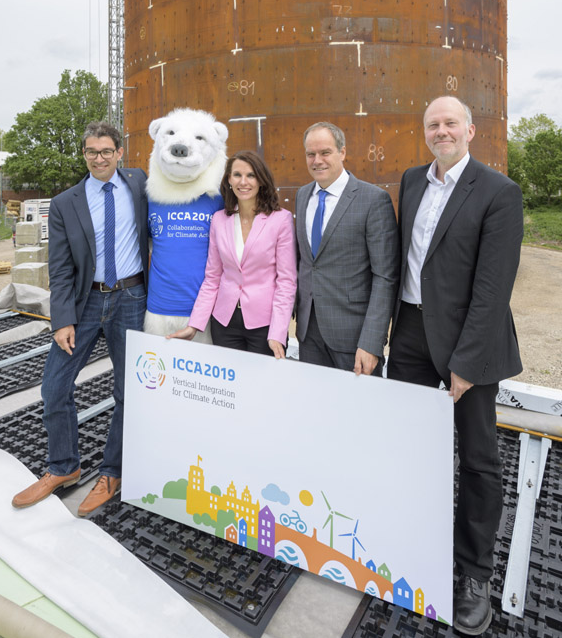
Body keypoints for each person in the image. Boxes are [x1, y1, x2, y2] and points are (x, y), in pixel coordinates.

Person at [387, 96, 523, 636]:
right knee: (411, 448)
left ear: (470, 129)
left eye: (450, 123)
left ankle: (473, 572)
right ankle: (414, 547)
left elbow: (493, 288)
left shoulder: (498, 192)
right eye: (432, 124)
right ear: (424, 133)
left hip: (472, 340)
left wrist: (465, 364)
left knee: (478, 460)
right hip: (414, 333)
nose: (441, 131)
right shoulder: (413, 180)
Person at [12, 122, 149, 516]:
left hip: (132, 297)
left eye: (106, 151)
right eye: (91, 151)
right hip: (85, 301)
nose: (99, 158)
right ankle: (63, 467)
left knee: (128, 391)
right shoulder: (65, 202)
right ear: (84, 154)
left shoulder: (140, 185)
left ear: (120, 152)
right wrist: (62, 319)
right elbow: (59, 266)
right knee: (54, 387)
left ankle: (112, 470)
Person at [168, 151, 296, 358]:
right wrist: (195, 325)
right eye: (237, 175)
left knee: (260, 388)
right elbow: (212, 278)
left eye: (251, 175)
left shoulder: (280, 220)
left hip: (265, 325)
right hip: (224, 322)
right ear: (229, 179)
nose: (243, 182)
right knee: (229, 389)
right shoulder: (219, 220)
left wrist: (278, 332)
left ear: (261, 180)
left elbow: (287, 281)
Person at [295, 122, 399, 375]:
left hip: (354, 340)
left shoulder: (373, 199)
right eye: (311, 154)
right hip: (309, 334)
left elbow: (385, 277)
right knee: (317, 410)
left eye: (325, 152)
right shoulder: (302, 195)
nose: (317, 160)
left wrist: (372, 342)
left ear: (342, 153)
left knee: (361, 413)